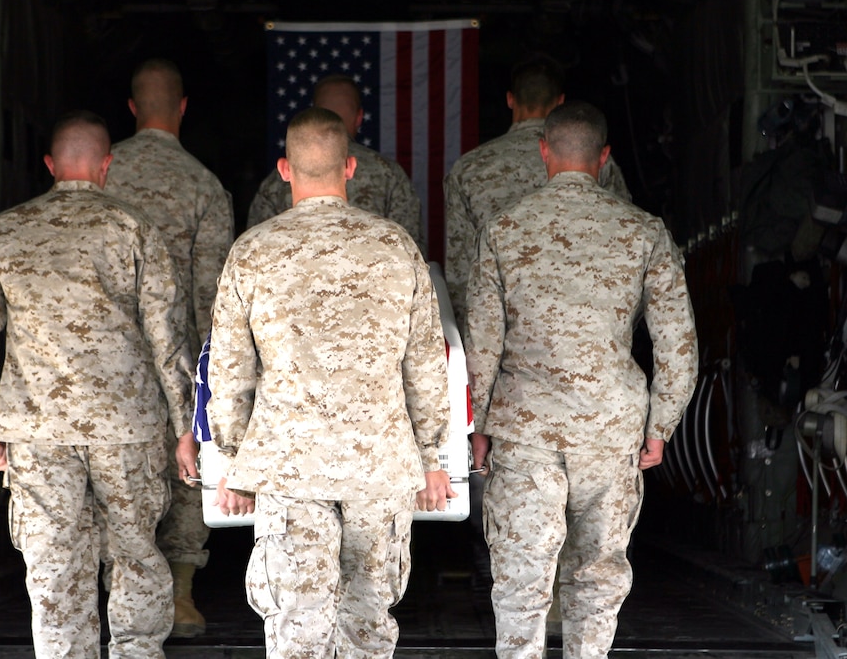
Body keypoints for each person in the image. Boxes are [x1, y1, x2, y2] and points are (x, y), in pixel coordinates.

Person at [206, 107, 455, 657]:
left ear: (284, 170)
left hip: (288, 467)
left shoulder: (252, 251)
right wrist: (434, 458)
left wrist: (230, 464)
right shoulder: (396, 247)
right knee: (368, 622)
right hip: (381, 464)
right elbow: (425, 364)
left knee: (297, 625)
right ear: (349, 167)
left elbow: (228, 369)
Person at [0, 111, 195, 658]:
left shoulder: (4, 232)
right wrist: (185, 429)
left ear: (49, 166)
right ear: (107, 166)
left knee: (56, 566)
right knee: (135, 556)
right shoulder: (133, 230)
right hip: (127, 430)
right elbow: (170, 340)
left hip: (36, 433)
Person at [464, 101, 698, 659]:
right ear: (606, 157)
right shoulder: (643, 232)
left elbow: (482, 344)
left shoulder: (504, 230)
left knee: (523, 580)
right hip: (612, 434)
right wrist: (660, 425)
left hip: (524, 434)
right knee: (596, 579)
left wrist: (476, 428)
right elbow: (678, 345)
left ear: (544, 151)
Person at [103, 57, 234, 638]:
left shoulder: (98, 174)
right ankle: (180, 598)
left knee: (114, 478)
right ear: (183, 108)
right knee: (186, 473)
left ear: (131, 108)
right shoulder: (203, 185)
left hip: (103, 362)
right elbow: (213, 294)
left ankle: (119, 600)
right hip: (177, 357)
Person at [444, 54, 631, 331]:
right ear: (560, 103)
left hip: (502, 329)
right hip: (585, 327)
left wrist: (473, 340)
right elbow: (623, 240)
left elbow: (460, 271)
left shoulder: (468, 168)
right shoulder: (596, 161)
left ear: (510, 100)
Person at [247, 74, 425, 251]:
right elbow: (411, 249)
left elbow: (256, 245)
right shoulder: (390, 174)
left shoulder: (278, 179)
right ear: (359, 117)